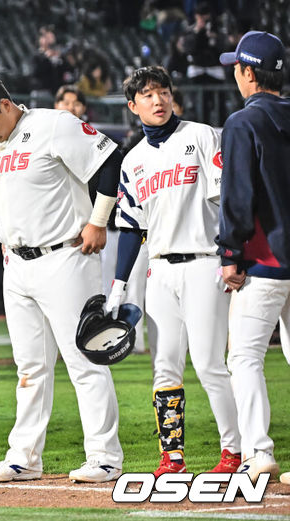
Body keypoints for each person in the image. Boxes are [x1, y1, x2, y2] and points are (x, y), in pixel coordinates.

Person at [0, 74, 125, 483]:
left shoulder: (56, 124)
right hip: (17, 264)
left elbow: (111, 160)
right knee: (30, 366)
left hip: (66, 257)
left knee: (85, 358)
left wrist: (98, 221)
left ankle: (104, 457)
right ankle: (25, 457)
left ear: (6, 103)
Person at [112, 65, 240, 477]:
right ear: (133, 106)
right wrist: (118, 286)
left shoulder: (202, 136)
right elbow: (132, 229)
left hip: (204, 263)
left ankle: (235, 451)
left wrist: (232, 254)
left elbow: (228, 202)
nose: (158, 100)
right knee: (164, 365)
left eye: (162, 91)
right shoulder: (133, 160)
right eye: (147, 95)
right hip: (159, 271)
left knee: (208, 364)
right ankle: (172, 457)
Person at [215, 31, 290, 484]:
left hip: (264, 262)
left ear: (247, 72)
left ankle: (259, 453)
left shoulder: (243, 122)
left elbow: (237, 197)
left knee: (244, 358)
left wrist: (231, 252)